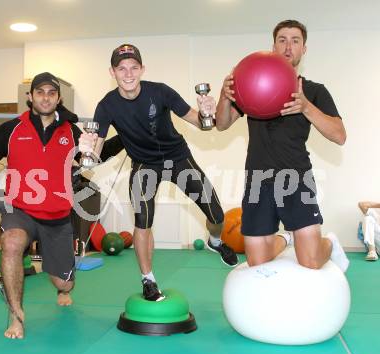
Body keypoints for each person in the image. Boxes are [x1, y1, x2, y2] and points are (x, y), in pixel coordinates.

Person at [0, 72, 123, 339]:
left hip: (58, 217)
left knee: (65, 283)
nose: (45, 97)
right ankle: (16, 315)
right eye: (40, 92)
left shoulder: (72, 131)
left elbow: (99, 154)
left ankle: (60, 285)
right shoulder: (12, 128)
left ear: (58, 98)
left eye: (51, 93)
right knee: (11, 242)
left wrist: (129, 135)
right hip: (21, 211)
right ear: (31, 97)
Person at [88, 44, 238, 302]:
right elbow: (94, 152)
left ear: (142, 69)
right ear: (112, 72)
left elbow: (202, 124)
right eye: (121, 68)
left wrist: (206, 113)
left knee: (216, 213)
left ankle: (215, 240)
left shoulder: (160, 92)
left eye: (134, 67)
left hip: (177, 158)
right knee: (142, 221)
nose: (128, 74)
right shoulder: (106, 106)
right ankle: (148, 280)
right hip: (144, 165)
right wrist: (86, 151)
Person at [215, 20, 349, 272]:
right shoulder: (252, 85)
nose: (288, 46)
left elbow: (339, 135)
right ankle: (286, 238)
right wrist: (224, 97)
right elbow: (222, 124)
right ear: (273, 46)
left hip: (295, 177)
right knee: (257, 261)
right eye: (282, 40)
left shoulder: (314, 90)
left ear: (304, 49)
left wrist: (306, 107)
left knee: (309, 260)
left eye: (295, 41)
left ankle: (330, 243)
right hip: (258, 179)